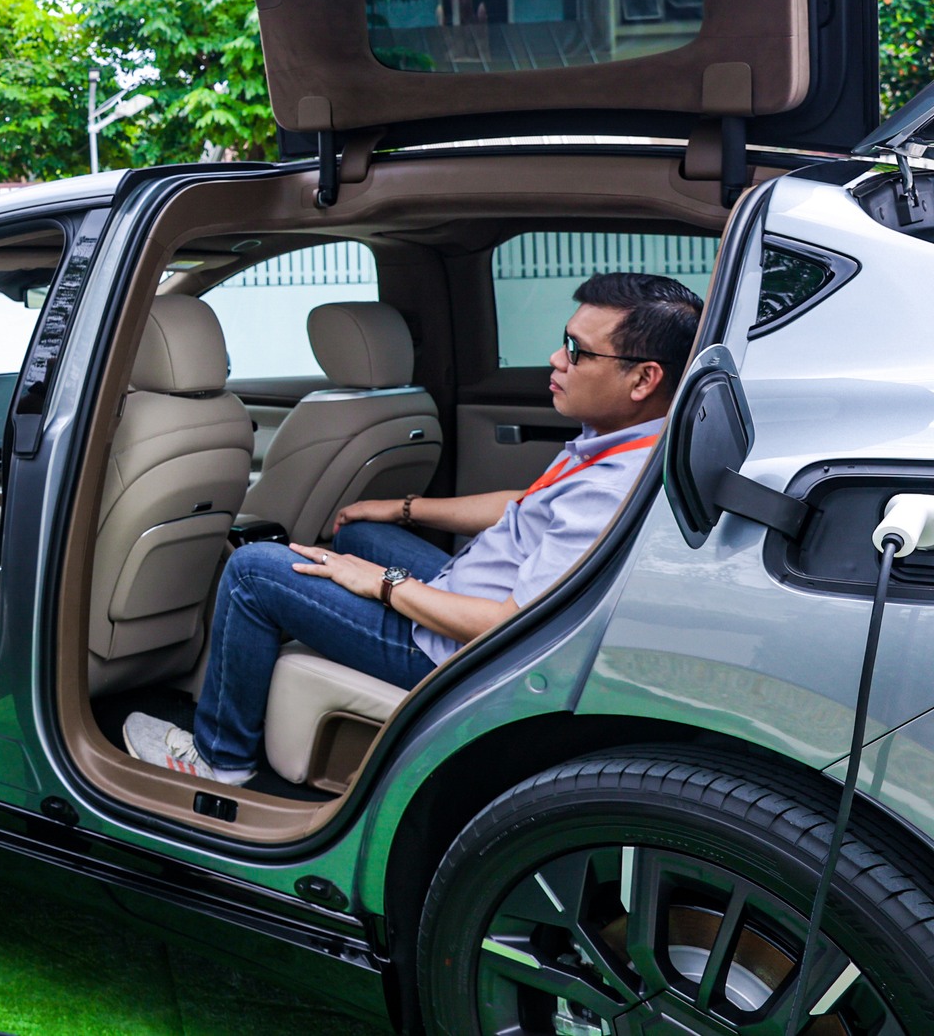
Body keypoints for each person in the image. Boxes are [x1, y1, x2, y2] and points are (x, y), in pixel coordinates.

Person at [124, 273, 703, 786]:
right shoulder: (631, 441)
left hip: (456, 653)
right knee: (356, 534)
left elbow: (511, 626)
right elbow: (526, 507)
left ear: (642, 379)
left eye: (577, 351)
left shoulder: (608, 488)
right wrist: (404, 508)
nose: (556, 358)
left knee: (253, 571)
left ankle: (220, 759)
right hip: (469, 593)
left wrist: (384, 585)